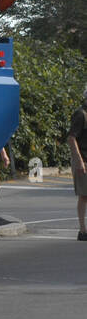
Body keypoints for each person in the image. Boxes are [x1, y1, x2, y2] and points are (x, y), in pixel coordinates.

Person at [69, 95, 87, 241]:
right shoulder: (81, 114)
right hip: (84, 160)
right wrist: (79, 160)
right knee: (84, 195)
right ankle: (82, 231)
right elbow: (71, 138)